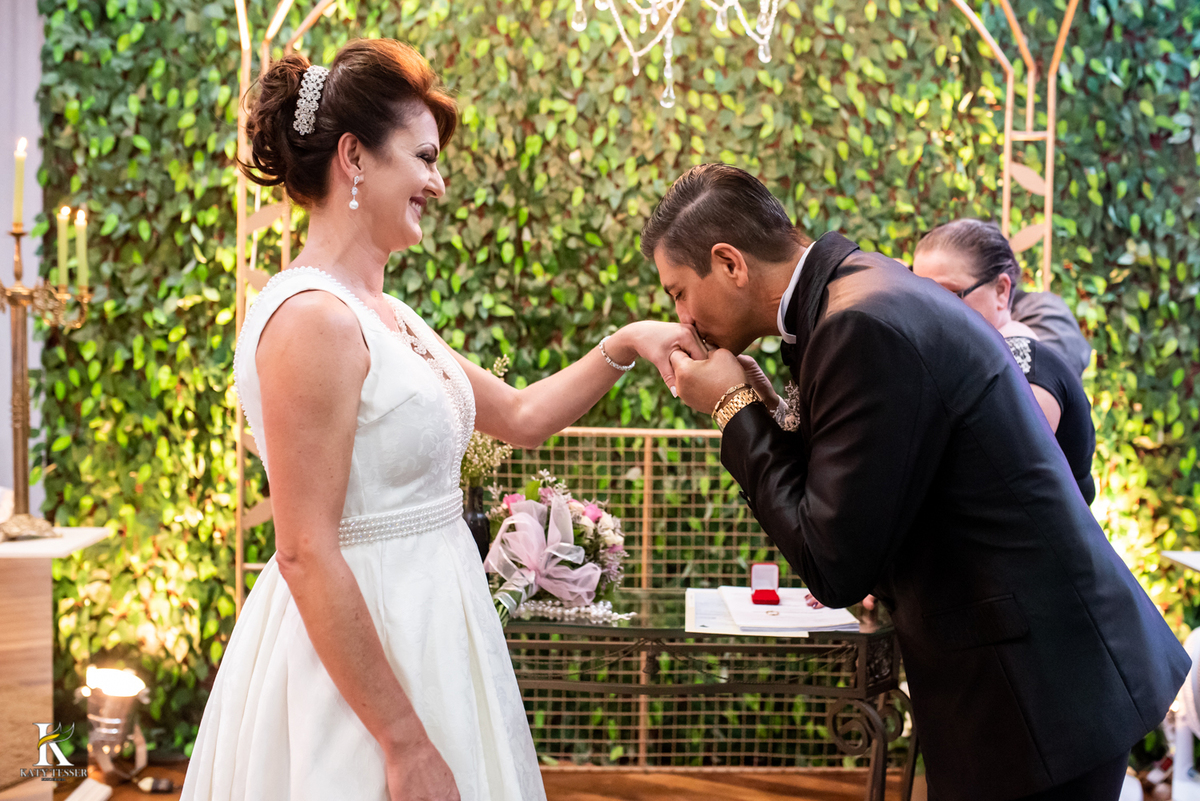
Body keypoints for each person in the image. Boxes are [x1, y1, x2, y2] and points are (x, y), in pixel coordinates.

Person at [180, 40, 704, 801]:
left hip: (436, 632)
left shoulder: (387, 314)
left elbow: (521, 416)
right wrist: (404, 742)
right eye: (424, 157)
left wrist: (626, 343)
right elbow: (302, 550)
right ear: (355, 157)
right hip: (360, 673)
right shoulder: (311, 321)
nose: (439, 181)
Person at [650, 164, 1188, 801]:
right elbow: (867, 484)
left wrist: (733, 410)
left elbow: (835, 563)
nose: (683, 318)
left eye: (679, 292)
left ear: (729, 263)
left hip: (1035, 689)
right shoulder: (859, 291)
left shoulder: (857, 321)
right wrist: (762, 407)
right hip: (1036, 674)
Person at [912, 219, 1096, 504]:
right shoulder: (974, 364)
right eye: (918, 295)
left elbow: (991, 493)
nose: (930, 310)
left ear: (1001, 290)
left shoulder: (1026, 371)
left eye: (948, 294)